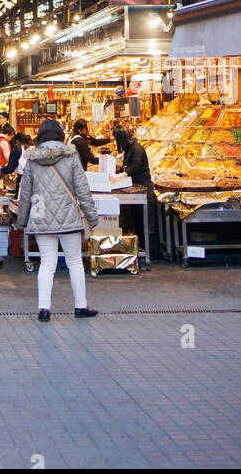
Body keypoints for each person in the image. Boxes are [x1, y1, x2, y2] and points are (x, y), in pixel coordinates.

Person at [16, 119, 99, 322]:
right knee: (74, 262)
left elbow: (25, 193)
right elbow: (82, 189)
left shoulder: (33, 159)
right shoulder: (71, 156)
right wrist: (91, 216)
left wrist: (22, 221)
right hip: (68, 216)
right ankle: (80, 306)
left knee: (46, 263)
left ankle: (44, 309)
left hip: (41, 215)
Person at [114, 127, 159, 257]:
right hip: (135, 189)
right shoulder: (129, 149)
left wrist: (122, 175)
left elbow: (135, 166)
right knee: (138, 221)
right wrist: (116, 173)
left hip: (144, 189)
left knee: (146, 223)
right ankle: (142, 249)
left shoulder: (136, 149)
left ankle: (151, 253)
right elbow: (126, 167)